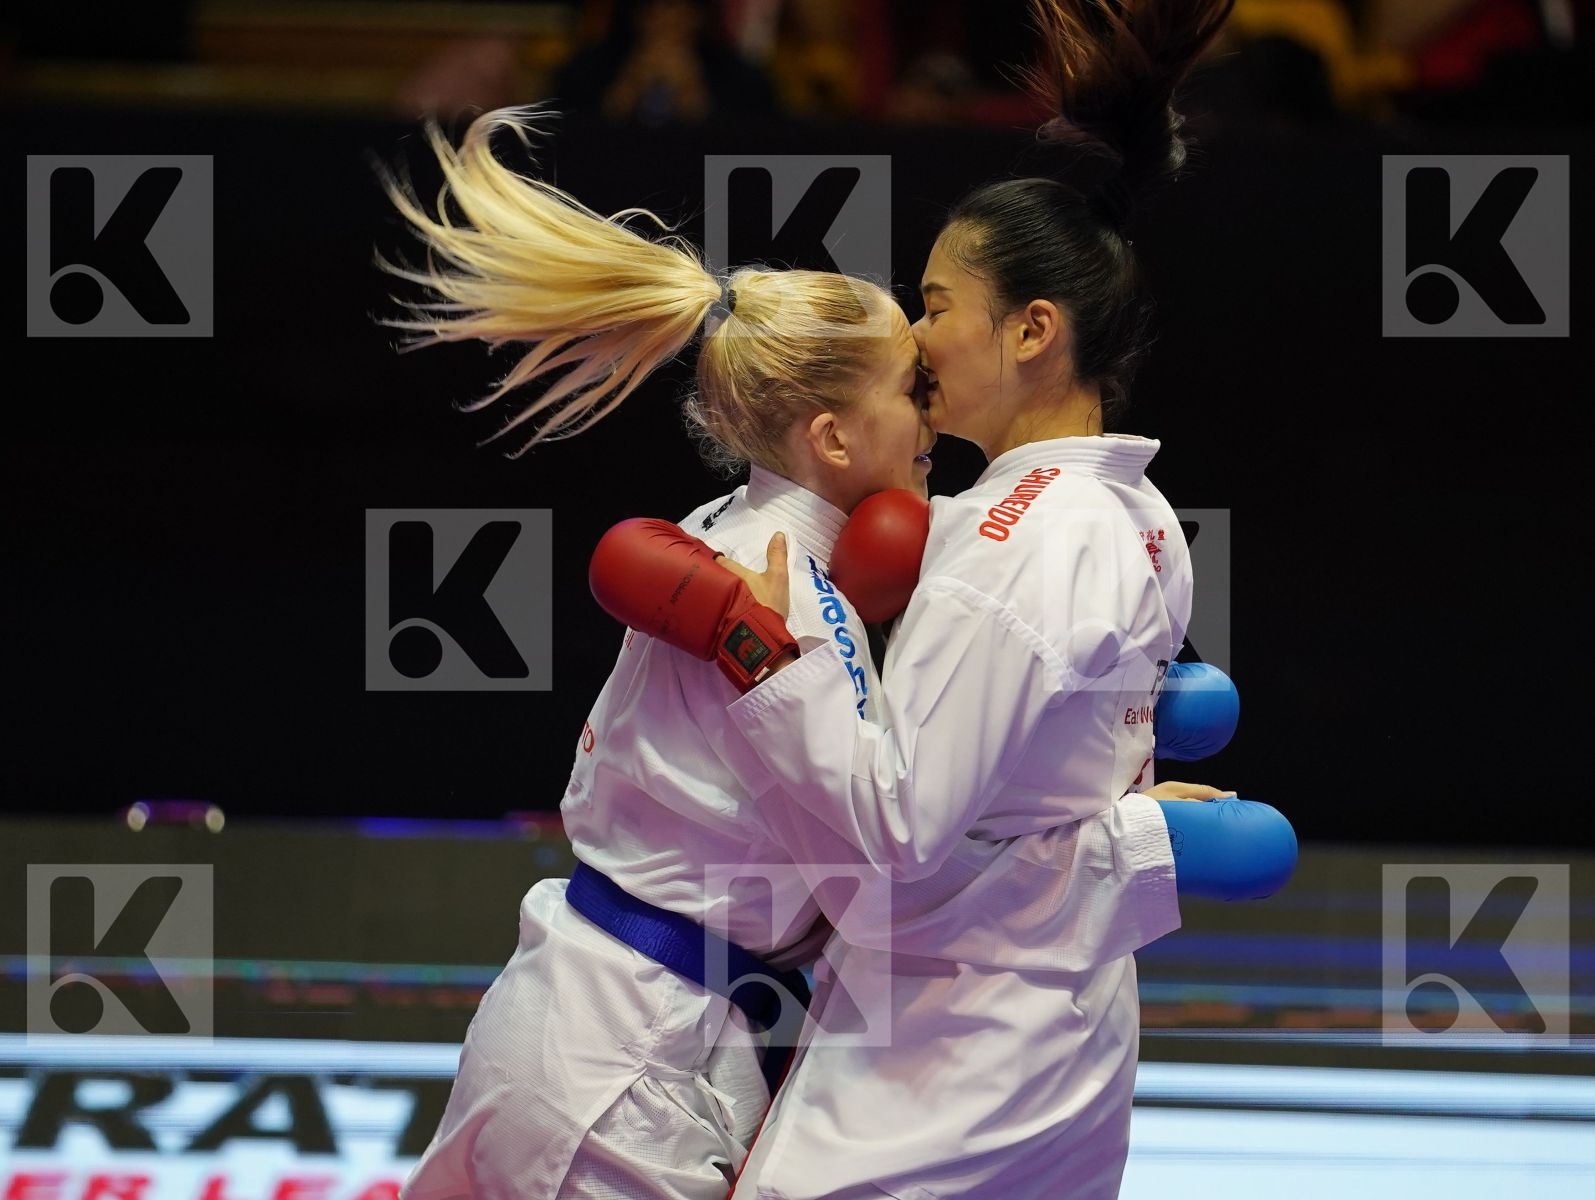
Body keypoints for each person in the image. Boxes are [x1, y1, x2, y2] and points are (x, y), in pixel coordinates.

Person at [372, 102, 1247, 1200]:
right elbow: (892, 836)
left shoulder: (753, 541)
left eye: (933, 314)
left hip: (613, 1023)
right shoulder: (780, 598)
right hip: (628, 1054)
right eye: (903, 380)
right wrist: (1128, 845)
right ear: (832, 438)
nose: (924, 384)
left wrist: (1106, 718)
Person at [656, 1, 1247, 1195]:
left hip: (946, 1073)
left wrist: (765, 655)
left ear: (1032, 330)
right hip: (1025, 1047)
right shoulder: (1127, 512)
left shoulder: (1023, 536)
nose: (915, 342)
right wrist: (1116, 843)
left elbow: (896, 835)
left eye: (932, 304)